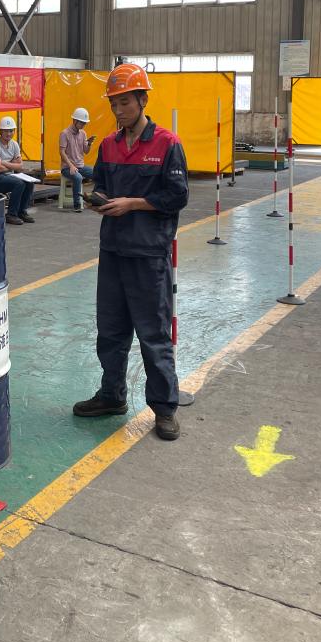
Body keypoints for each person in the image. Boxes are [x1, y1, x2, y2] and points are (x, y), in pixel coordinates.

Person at [73, 63, 189, 441]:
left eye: (125, 102)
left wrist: (133, 204)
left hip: (148, 255)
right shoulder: (108, 145)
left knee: (153, 335)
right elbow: (102, 185)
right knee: (111, 331)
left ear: (142, 100)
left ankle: (165, 409)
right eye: (114, 104)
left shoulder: (167, 144)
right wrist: (99, 200)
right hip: (113, 251)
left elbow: (177, 196)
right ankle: (112, 395)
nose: (119, 110)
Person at [0, 116, 35, 225]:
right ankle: (11, 214)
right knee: (19, 184)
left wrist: (4, 163)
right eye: (6, 131)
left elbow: (20, 165)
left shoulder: (14, 144)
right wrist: (12, 164)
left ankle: (22, 211)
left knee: (30, 183)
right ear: (1, 131)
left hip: (10, 175)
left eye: (11, 131)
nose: (9, 133)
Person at [60, 107, 96, 211]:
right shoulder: (64, 133)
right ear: (75, 120)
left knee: (97, 174)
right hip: (67, 167)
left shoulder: (83, 133)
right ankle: (77, 205)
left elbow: (86, 151)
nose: (84, 125)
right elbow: (61, 152)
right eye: (82, 122)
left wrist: (89, 143)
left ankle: (94, 198)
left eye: (85, 123)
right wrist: (71, 166)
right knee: (78, 178)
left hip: (80, 166)